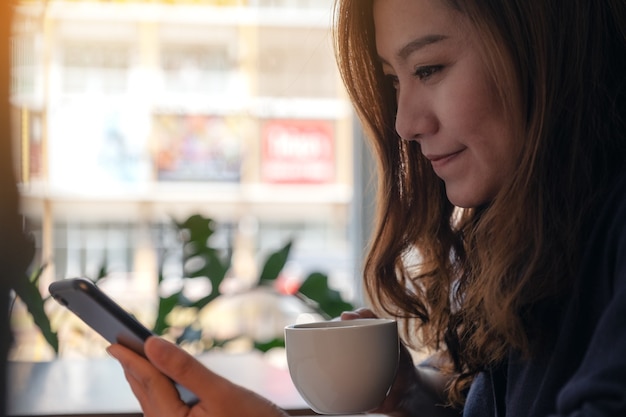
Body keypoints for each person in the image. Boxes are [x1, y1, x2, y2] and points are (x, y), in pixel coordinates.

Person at [107, 0, 626, 416]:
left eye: (429, 68)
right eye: (395, 81)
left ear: (542, 47)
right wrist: (421, 397)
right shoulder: (538, 242)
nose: (404, 123)